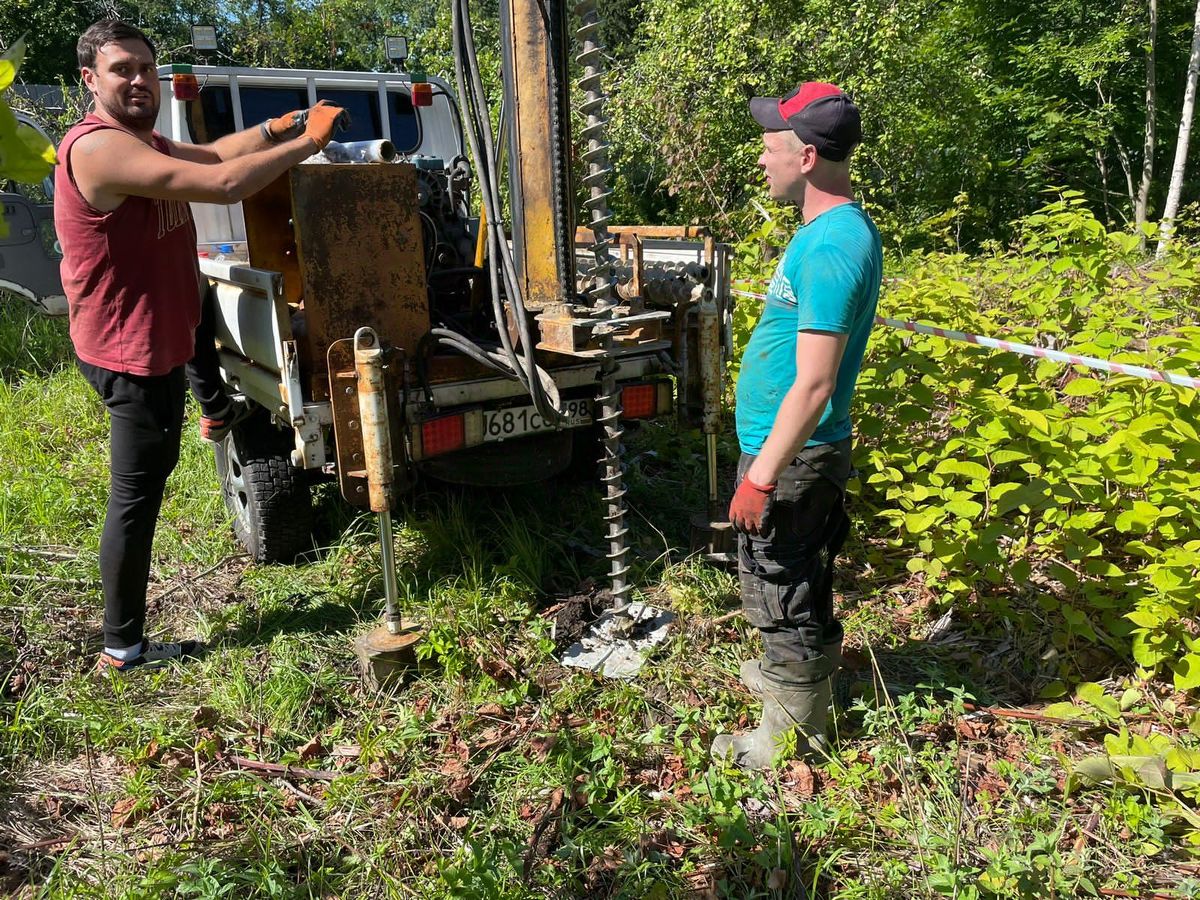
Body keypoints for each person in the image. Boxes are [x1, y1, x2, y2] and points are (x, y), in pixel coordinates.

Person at [55, 19, 347, 674]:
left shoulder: (143, 141)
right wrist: (307, 144)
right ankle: (122, 649)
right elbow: (222, 186)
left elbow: (216, 157)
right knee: (135, 498)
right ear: (90, 80)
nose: (137, 79)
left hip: (156, 338)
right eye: (121, 69)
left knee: (143, 487)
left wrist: (276, 129)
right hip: (131, 352)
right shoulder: (99, 149)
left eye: (144, 68)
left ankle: (122, 641)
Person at [712, 82, 883, 769]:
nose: (761, 160)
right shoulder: (825, 233)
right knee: (799, 572)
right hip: (790, 450)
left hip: (795, 455)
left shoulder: (833, 246)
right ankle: (800, 683)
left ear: (806, 157)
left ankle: (789, 731)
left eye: (769, 147)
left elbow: (813, 384)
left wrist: (760, 475)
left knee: (781, 581)